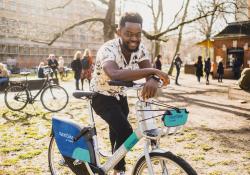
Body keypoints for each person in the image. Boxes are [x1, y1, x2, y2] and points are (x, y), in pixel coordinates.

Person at [90, 12, 169, 175]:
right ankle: (118, 169)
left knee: (117, 131)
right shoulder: (108, 49)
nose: (134, 38)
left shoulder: (140, 49)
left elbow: (148, 72)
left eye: (138, 34)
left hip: (121, 95)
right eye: (128, 34)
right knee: (125, 131)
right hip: (101, 96)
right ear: (119, 32)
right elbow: (114, 73)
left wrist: (153, 79)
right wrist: (154, 71)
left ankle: (114, 167)